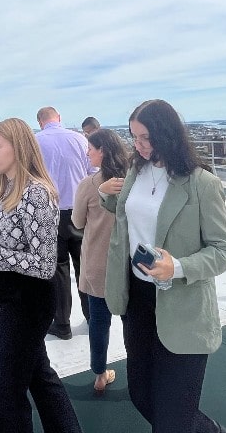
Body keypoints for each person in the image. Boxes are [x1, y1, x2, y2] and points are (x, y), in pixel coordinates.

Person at [99, 99, 226, 433]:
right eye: (134, 137)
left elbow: (224, 250)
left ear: (167, 134)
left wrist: (177, 267)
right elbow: (131, 213)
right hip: (138, 301)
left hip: (182, 306)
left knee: (172, 417)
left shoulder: (202, 184)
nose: (139, 146)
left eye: (146, 137)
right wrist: (105, 195)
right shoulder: (136, 171)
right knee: (142, 396)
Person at [0, 118, 82, 433]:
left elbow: (45, 265)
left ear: (17, 148)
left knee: (7, 392)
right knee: (39, 377)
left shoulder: (37, 193)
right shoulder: (7, 187)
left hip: (28, 303)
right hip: (12, 299)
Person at [71, 128, 129, 393]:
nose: (87, 153)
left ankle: (99, 373)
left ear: (102, 151)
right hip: (129, 264)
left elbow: (77, 221)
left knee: (99, 321)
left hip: (97, 263)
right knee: (133, 323)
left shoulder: (89, 184)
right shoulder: (133, 180)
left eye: (90, 149)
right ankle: (141, 372)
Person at [35, 106, 92, 339]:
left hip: (50, 212)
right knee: (85, 266)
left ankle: (62, 324)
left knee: (58, 270)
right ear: (59, 118)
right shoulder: (80, 139)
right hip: (80, 212)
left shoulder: (35, 142)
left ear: (40, 122)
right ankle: (93, 317)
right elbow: (93, 173)